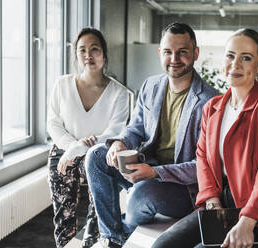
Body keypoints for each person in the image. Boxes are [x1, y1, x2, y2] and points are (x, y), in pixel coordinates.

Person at [152, 28, 258, 248]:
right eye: (230, 55)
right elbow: (203, 157)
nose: (235, 64)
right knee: (162, 245)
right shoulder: (212, 107)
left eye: (246, 58)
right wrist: (211, 201)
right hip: (221, 203)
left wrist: (247, 222)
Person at [84, 23, 218, 248]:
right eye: (168, 52)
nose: (174, 58)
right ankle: (112, 236)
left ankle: (124, 229)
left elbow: (203, 168)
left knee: (141, 195)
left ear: (195, 53)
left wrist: (155, 172)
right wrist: (120, 142)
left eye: (182, 52)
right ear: (160, 53)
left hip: (182, 187)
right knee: (96, 156)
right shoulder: (151, 85)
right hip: (146, 168)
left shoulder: (210, 102)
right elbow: (136, 128)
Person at [47, 27, 129, 248]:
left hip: (97, 154)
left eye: (94, 49)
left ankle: (92, 241)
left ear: (104, 54)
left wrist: (80, 149)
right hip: (63, 152)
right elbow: (53, 124)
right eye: (82, 50)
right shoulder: (62, 85)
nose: (88, 55)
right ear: (76, 54)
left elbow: (114, 133)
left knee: (97, 210)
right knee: (64, 218)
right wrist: (73, 147)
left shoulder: (120, 94)